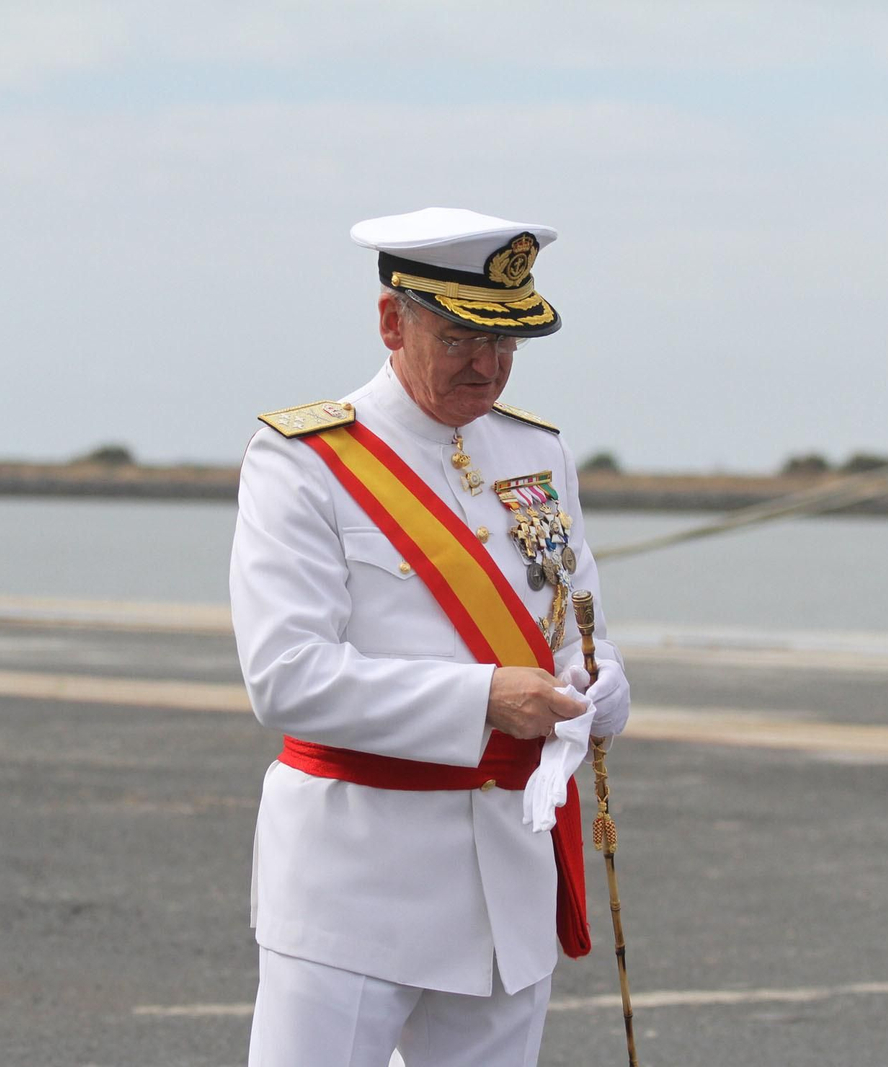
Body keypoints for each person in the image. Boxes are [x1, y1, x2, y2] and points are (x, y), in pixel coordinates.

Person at [229, 208, 632, 1067]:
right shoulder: (304, 460)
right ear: (391, 321)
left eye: (507, 343)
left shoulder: (537, 454)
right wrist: (488, 697)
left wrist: (603, 690)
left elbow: (577, 628)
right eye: (460, 338)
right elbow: (287, 677)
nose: (487, 367)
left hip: (507, 882)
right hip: (357, 882)